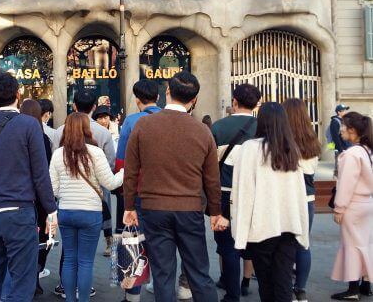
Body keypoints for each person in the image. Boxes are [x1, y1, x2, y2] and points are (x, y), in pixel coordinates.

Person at [123, 71, 226, 302]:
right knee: (199, 273)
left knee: (163, 274)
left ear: (167, 92)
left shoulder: (143, 125)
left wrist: (129, 206)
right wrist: (216, 212)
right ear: (195, 100)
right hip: (190, 209)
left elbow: (130, 171)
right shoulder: (203, 131)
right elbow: (212, 179)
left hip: (153, 208)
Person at [0, 71, 57, 301]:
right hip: (18, 212)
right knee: (22, 282)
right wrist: (51, 210)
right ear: (18, 94)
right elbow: (40, 173)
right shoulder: (29, 125)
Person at [230, 102, 310, 302]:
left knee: (266, 283)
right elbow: (299, 192)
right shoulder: (291, 149)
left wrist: (240, 232)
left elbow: (244, 192)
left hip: (262, 227)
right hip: (289, 226)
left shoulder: (250, 149)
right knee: (283, 282)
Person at [50, 112, 124, 302]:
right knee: (85, 262)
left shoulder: (58, 154)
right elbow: (111, 183)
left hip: (66, 211)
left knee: (69, 260)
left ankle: (69, 299)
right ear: (86, 129)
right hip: (90, 213)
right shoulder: (95, 153)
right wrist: (125, 171)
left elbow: (53, 189)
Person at [211, 83, 260, 301]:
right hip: (254, 194)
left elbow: (210, 165)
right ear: (257, 103)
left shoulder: (219, 127)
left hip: (224, 193)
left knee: (227, 245)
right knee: (251, 241)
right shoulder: (263, 128)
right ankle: (246, 282)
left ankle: (231, 292)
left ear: (234, 102)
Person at [114, 80, 161, 302]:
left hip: (139, 191)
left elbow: (122, 162)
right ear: (158, 97)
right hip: (166, 192)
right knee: (162, 243)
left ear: (137, 99)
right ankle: (162, 287)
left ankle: (133, 294)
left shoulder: (132, 122)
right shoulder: (171, 119)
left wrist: (124, 192)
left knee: (134, 242)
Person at [330, 111, 373, 300]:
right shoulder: (367, 150)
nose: (340, 131)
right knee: (365, 244)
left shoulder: (351, 154)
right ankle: (366, 283)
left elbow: (346, 184)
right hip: (366, 203)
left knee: (352, 246)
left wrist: (339, 208)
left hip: (353, 205)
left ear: (353, 130)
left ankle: (353, 288)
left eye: (343, 127)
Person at [282, 98, 322, 302]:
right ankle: (301, 289)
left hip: (288, 197)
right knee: (303, 244)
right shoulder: (312, 139)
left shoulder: (283, 140)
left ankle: (287, 286)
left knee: (285, 244)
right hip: (308, 197)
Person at [21, 99, 54, 295]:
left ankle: (28, 278)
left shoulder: (12, 135)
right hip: (38, 197)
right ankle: (35, 274)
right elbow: (45, 171)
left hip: (21, 195)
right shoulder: (42, 138)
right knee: (40, 238)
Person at [330, 104, 352, 177]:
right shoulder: (335, 121)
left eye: (346, 110)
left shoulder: (344, 120)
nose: (345, 112)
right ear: (338, 112)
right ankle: (337, 183)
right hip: (341, 149)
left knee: (346, 168)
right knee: (339, 168)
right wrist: (340, 149)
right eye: (343, 110)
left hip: (347, 147)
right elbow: (335, 137)